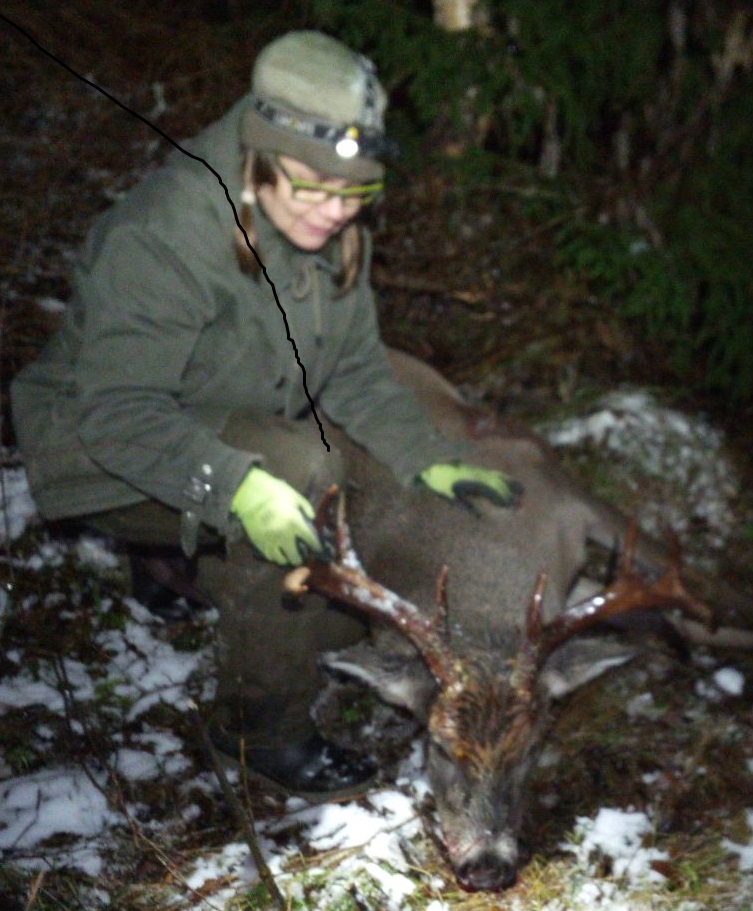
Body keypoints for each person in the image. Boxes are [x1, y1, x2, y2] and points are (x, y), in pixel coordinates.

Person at [11, 31, 522, 795]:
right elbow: (114, 412)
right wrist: (238, 486)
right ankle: (258, 729)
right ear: (259, 153)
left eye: (355, 193)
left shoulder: (330, 226)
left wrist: (425, 457)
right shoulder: (166, 233)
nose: (333, 211)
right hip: (93, 439)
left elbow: (353, 370)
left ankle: (169, 560)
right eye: (312, 186)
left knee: (333, 606)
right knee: (297, 470)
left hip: (209, 411)